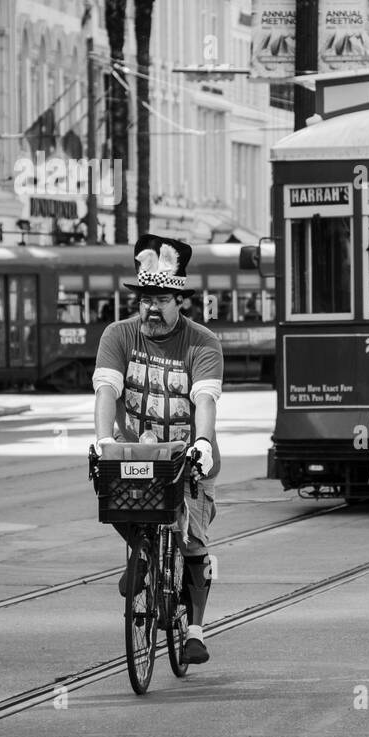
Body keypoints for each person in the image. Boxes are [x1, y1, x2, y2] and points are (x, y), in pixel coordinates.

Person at [92, 234, 223, 665]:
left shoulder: (202, 342)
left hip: (186, 454)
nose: (151, 306)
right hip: (134, 453)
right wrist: (103, 440)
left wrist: (203, 442)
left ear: (179, 301)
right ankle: (144, 553)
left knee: (193, 545)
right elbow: (107, 390)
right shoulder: (118, 334)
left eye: (162, 298)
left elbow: (204, 398)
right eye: (145, 297)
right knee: (113, 499)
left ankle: (196, 632)